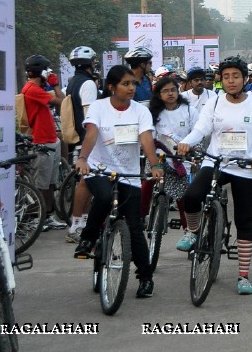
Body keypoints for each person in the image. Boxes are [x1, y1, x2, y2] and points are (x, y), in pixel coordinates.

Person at [178, 57, 252, 296]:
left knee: (244, 221)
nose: (231, 81)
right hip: (216, 161)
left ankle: (243, 275)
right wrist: (185, 143)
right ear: (221, 79)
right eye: (227, 76)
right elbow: (201, 129)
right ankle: (193, 231)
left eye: (236, 76)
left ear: (245, 79)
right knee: (191, 196)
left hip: (245, 167)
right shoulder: (214, 102)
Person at [72, 65, 161, 299]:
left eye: (133, 83)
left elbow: (146, 140)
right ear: (112, 87)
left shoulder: (141, 111)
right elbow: (91, 134)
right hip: (99, 170)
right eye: (126, 84)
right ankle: (87, 238)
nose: (132, 88)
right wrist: (82, 159)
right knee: (103, 197)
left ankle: (146, 278)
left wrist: (155, 164)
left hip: (129, 175)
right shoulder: (99, 107)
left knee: (134, 228)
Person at [146, 75, 198, 251]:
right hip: (158, 157)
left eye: (173, 90)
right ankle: (140, 217)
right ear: (159, 94)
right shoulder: (153, 112)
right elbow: (149, 136)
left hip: (181, 160)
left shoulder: (189, 110)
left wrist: (190, 148)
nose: (170, 94)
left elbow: (198, 132)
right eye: (165, 91)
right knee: (147, 183)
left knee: (183, 197)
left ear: (178, 91)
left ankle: (189, 231)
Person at [21, 54, 66, 225]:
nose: (49, 73)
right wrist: (55, 85)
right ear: (40, 72)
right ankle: (36, 218)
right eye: (47, 70)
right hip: (41, 142)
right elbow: (62, 101)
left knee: (50, 182)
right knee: (40, 183)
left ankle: (47, 216)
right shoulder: (32, 90)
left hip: (49, 140)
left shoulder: (37, 90)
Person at [64, 46, 101, 242]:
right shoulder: (87, 84)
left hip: (79, 138)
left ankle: (83, 222)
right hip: (86, 140)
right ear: (91, 63)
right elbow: (89, 116)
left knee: (88, 183)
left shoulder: (72, 83)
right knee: (85, 183)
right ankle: (76, 226)